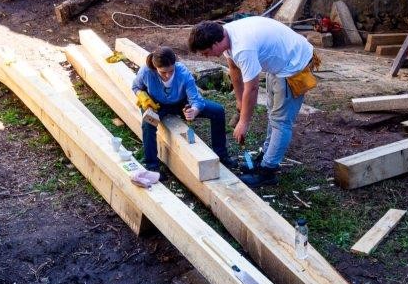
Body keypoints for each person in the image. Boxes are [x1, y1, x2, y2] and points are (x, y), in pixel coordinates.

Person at [188, 17, 318, 187]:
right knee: (272, 113)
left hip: (294, 65)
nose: (206, 57)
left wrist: (244, 122)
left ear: (216, 43)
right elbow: (234, 69)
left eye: (206, 53)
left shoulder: (243, 48)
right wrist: (239, 101)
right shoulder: (226, 35)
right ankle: (266, 157)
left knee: (281, 121)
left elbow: (252, 88)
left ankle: (268, 171)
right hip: (280, 63)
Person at [132, 47, 233, 177]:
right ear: (155, 68)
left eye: (171, 71)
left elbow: (196, 99)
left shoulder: (183, 73)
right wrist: (143, 96)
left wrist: (194, 110)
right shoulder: (146, 71)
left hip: (180, 103)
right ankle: (152, 166)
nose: (168, 75)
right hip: (156, 105)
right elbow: (136, 87)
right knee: (148, 124)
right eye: (163, 72)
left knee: (217, 111)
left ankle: (221, 155)